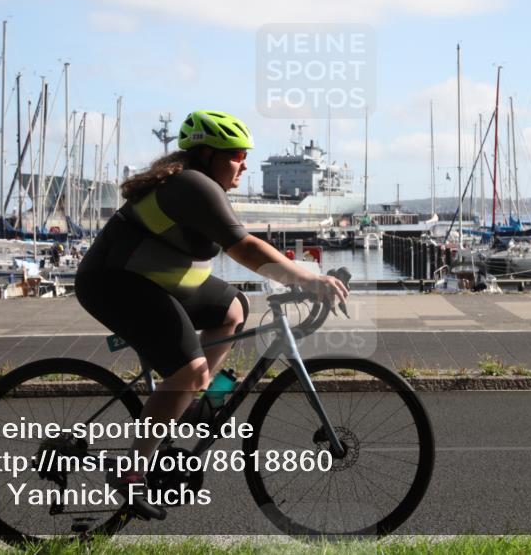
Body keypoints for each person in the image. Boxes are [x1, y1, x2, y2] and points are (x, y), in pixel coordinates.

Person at [75, 110, 347, 518]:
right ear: (207, 154)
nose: (244, 164)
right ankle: (131, 472)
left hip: (156, 280)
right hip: (114, 283)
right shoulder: (191, 185)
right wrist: (308, 279)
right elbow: (245, 248)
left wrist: (299, 279)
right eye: (237, 154)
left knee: (234, 307)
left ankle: (190, 401)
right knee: (189, 371)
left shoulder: (199, 183)